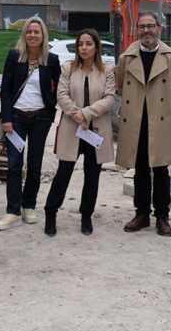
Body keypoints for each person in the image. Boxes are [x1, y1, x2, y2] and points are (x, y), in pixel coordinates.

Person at [116, 12, 171, 237]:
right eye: (142, 26)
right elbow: (119, 87)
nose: (146, 30)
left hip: (161, 121)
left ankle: (162, 217)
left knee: (161, 170)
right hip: (136, 122)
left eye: (151, 26)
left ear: (159, 29)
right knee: (141, 170)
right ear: (137, 30)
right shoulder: (126, 58)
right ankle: (142, 214)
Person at [42, 29, 116, 236]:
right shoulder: (68, 68)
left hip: (96, 131)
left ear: (96, 47)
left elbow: (109, 98)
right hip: (72, 129)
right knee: (63, 173)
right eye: (81, 44)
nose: (84, 48)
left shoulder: (107, 71)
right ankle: (51, 212)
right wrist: (76, 115)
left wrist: (86, 114)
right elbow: (61, 94)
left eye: (88, 44)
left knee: (92, 176)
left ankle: (86, 215)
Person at [0, 17, 61, 231]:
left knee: (35, 166)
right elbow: (5, 90)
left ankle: (29, 206)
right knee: (14, 166)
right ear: (24, 34)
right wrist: (6, 118)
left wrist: (51, 114)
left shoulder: (51, 60)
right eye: (29, 31)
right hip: (16, 119)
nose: (33, 35)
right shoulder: (14, 56)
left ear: (43, 36)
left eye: (37, 32)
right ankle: (13, 211)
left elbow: (58, 89)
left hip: (41, 119)